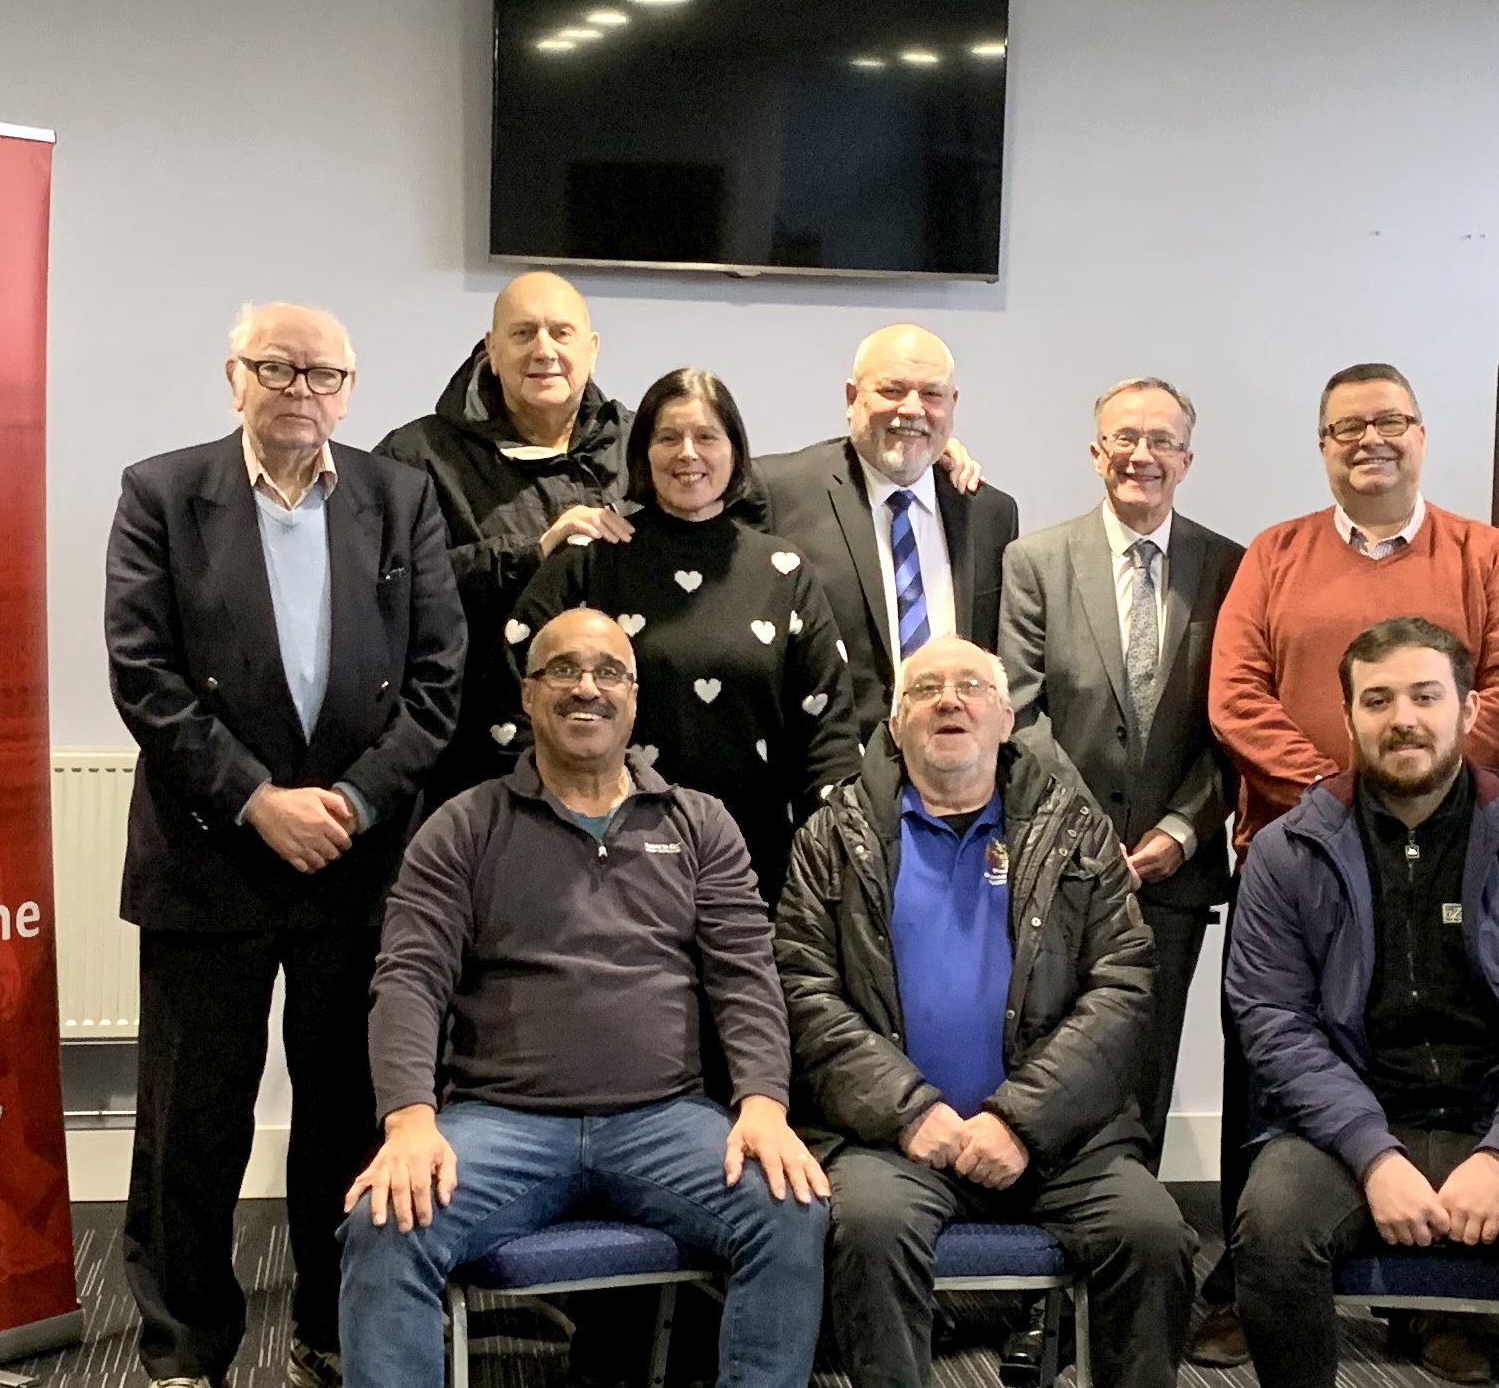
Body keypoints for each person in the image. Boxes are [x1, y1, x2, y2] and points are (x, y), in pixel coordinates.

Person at [104, 303, 464, 1388]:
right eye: (278, 366)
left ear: (350, 388)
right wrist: (260, 801)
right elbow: (143, 675)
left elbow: (440, 677)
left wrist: (349, 801)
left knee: (344, 1118)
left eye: (323, 371)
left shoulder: (398, 498)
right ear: (235, 376)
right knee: (192, 1119)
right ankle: (181, 1349)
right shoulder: (163, 491)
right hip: (210, 854)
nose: (300, 387)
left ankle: (327, 1328)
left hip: (355, 861)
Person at [338, 608, 828, 1388]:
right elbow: (409, 979)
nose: (586, 689)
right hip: (501, 1123)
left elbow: (745, 977)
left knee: (787, 1207)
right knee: (384, 1224)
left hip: (664, 1121)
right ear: (528, 696)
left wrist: (763, 1105)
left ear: (634, 699)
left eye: (608, 672)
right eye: (562, 670)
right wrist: (408, 1121)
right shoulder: (462, 827)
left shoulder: (700, 825)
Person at [1226, 616, 1499, 1388]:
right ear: (1348, 717)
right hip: (1342, 1130)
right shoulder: (1288, 852)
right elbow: (1273, 1026)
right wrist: (1371, 1152)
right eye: (1378, 700)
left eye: (1425, 696)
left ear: (1467, 708)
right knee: (1271, 1228)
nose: (1402, 720)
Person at [776, 635, 1194, 1388]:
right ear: (895, 726)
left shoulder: (1076, 832)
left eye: (970, 686)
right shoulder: (830, 838)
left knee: (1152, 1233)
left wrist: (1019, 1121)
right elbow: (804, 991)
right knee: (865, 1227)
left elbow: (1124, 984)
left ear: (1005, 719)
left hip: (1059, 1142)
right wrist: (910, 1112)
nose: (948, 700)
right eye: (925, 689)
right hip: (892, 1141)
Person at [997, 376, 1245, 1162]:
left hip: (1173, 870)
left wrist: (1181, 829)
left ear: (1187, 458)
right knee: (1045, 1051)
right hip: (1055, 864)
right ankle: (1040, 1234)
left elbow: (1233, 720)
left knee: (1150, 1054)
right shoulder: (1033, 560)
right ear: (1096, 452)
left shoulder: (1230, 566)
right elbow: (1021, 712)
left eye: (1161, 441)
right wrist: (1085, 833)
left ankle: (1134, 1231)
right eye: (1125, 439)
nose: (1142, 455)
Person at [509, 369, 859, 903]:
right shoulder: (591, 560)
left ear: (736, 453)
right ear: (643, 453)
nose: (687, 453)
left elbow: (828, 736)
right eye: (668, 437)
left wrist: (831, 869)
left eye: (707, 437)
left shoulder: (784, 571)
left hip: (754, 865)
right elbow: (513, 698)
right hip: (596, 863)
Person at [1211, 362, 1499, 846]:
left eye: (1390, 422)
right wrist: (1331, 795)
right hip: (1297, 842)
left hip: (1448, 844)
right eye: (1348, 427)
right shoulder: (1272, 552)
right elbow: (1236, 698)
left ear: (1421, 436)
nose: (1370, 439)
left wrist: (1418, 783)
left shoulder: (1486, 553)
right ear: (1324, 447)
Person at [374, 271, 628, 804]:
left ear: (592, 349)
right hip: (466, 763)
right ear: (490, 349)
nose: (544, 350)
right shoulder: (416, 458)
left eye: (561, 333)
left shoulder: (642, 447)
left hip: (619, 762)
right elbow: (390, 596)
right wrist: (531, 553)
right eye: (523, 334)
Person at [751, 325, 1020, 741]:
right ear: (851, 398)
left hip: (954, 768)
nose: (912, 409)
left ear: (952, 403)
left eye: (931, 394)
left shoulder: (989, 513)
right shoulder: (778, 491)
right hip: (826, 767)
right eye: (892, 390)